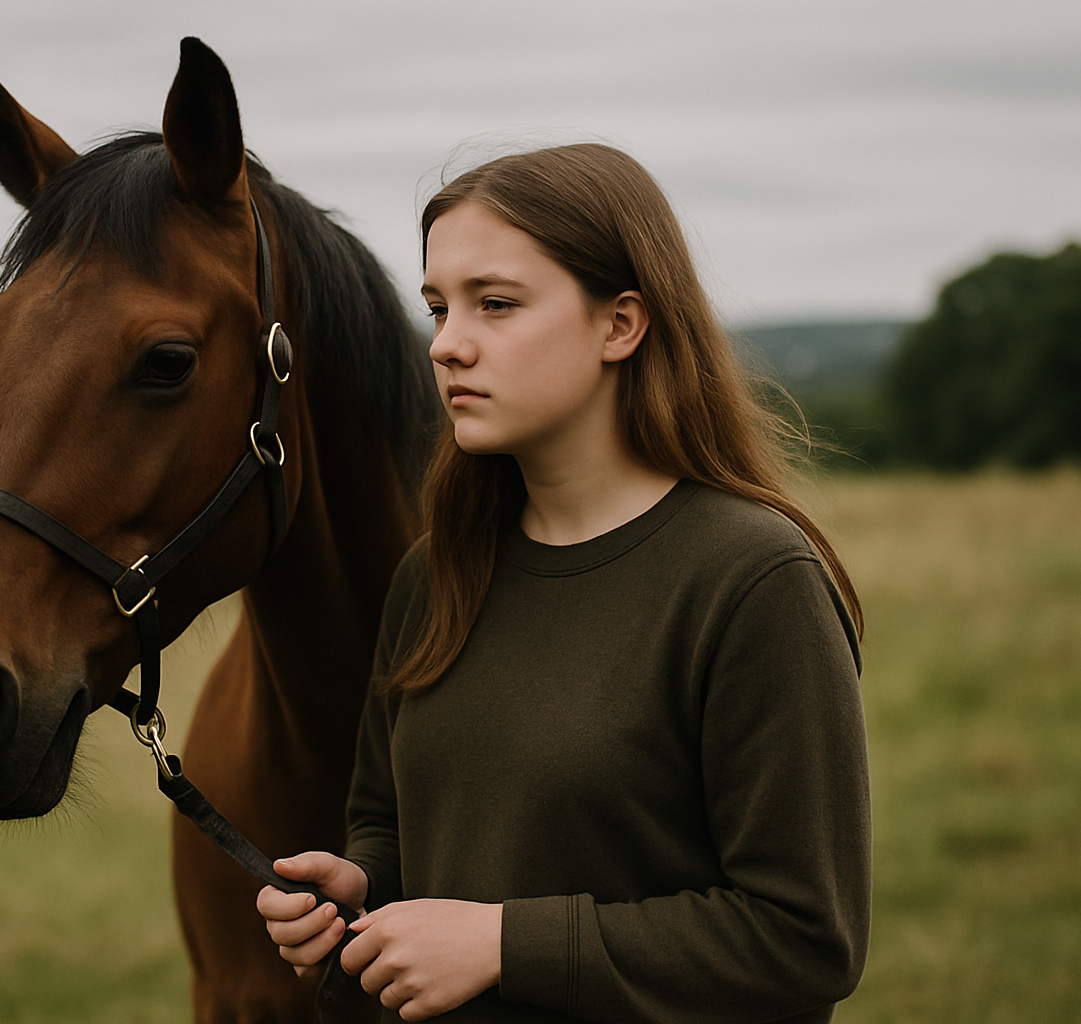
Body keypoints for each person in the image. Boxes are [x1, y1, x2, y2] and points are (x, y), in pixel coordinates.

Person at [256, 143, 870, 1023]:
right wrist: (357, 891)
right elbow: (388, 827)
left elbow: (806, 938)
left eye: (495, 305)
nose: (448, 345)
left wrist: (503, 946)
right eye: (437, 309)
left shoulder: (752, 580)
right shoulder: (433, 576)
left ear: (621, 324)